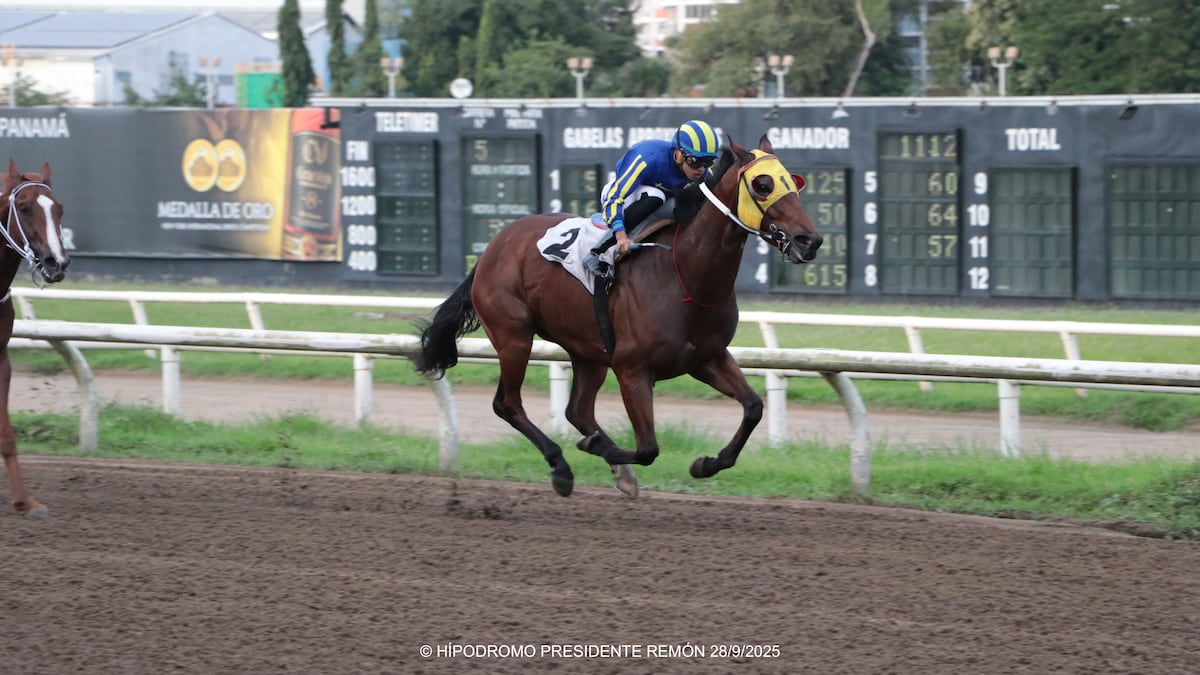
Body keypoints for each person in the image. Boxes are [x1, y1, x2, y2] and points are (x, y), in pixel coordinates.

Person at [583, 119, 720, 275]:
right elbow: (614, 197)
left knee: (691, 205)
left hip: (657, 203)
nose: (701, 169)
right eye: (696, 161)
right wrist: (621, 236)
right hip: (619, 197)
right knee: (657, 196)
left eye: (708, 162)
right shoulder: (648, 157)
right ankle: (598, 252)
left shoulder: (703, 174)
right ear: (679, 155)